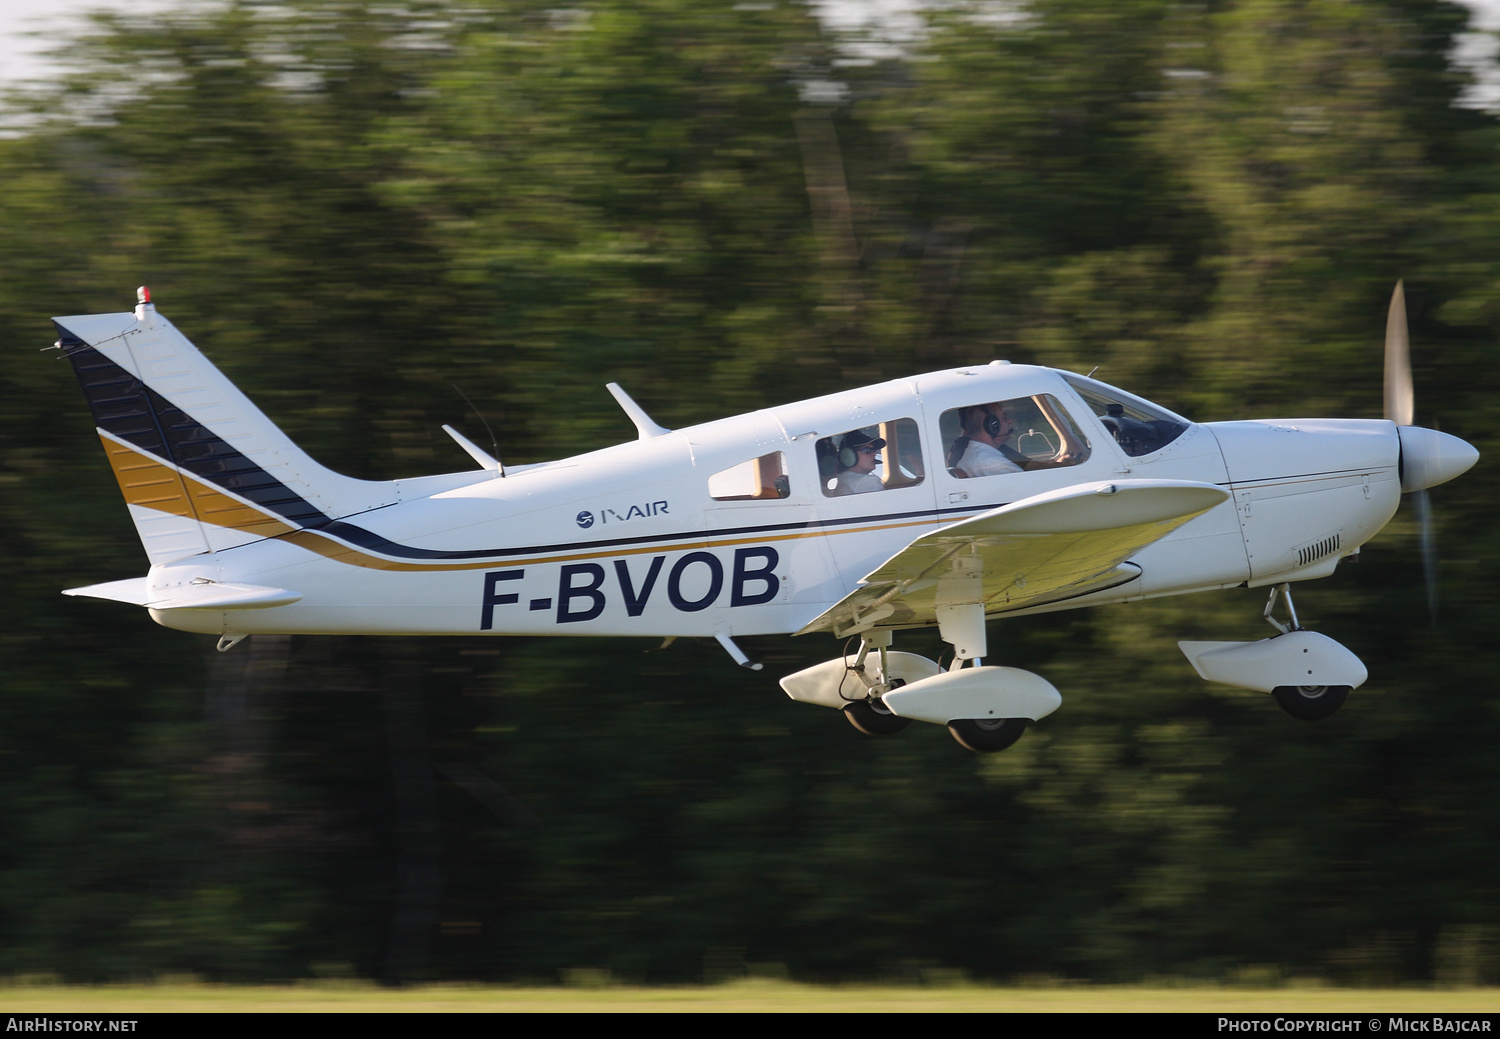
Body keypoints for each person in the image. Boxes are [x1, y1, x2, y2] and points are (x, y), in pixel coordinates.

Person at [947, 403, 1024, 478]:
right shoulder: (992, 463)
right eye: (1004, 418)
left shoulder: (977, 455)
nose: (1009, 421)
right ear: (993, 425)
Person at [829, 428, 886, 495]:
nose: (874, 454)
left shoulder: (843, 478)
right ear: (848, 456)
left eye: (874, 450)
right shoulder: (868, 482)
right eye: (867, 450)